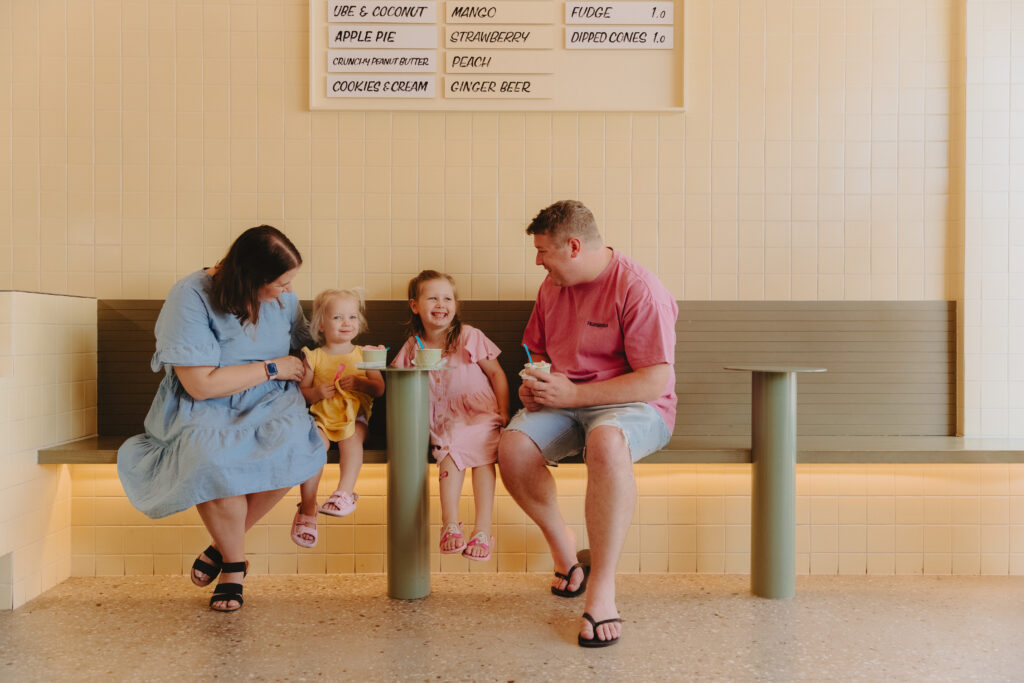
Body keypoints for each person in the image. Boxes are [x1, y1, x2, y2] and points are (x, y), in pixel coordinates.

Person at [117, 225, 326, 612]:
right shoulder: (190, 296)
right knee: (212, 458)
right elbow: (200, 385)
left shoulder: (283, 298)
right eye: (281, 284)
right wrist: (272, 368)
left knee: (296, 448)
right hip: (208, 402)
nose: (289, 292)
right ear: (250, 280)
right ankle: (234, 567)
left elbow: (303, 345)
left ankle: (222, 548)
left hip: (272, 399)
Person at [498, 200, 678, 647]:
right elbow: (536, 354)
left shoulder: (639, 289)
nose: (538, 261)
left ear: (574, 246)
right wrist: (534, 384)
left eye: (544, 251)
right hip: (564, 402)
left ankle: (602, 589)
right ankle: (566, 552)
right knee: (513, 449)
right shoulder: (551, 287)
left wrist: (576, 394)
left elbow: (656, 379)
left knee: (606, 443)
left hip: (636, 406)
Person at [392, 270, 510, 561]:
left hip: (479, 414)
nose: (440, 304)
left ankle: (482, 529)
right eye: (432, 297)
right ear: (414, 305)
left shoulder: (469, 336)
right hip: (443, 420)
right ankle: (450, 524)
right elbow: (397, 381)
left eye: (447, 298)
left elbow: (496, 374)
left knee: (482, 454)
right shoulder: (413, 347)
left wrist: (504, 410)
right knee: (449, 447)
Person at [292, 288, 385, 547]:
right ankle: (308, 508)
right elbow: (303, 394)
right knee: (314, 446)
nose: (347, 323)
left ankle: (344, 493)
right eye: (337, 318)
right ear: (321, 324)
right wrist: (317, 392)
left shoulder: (366, 355)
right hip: (321, 418)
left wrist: (360, 382)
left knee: (352, 440)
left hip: (354, 417)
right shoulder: (314, 357)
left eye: (352, 317)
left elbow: (379, 389)